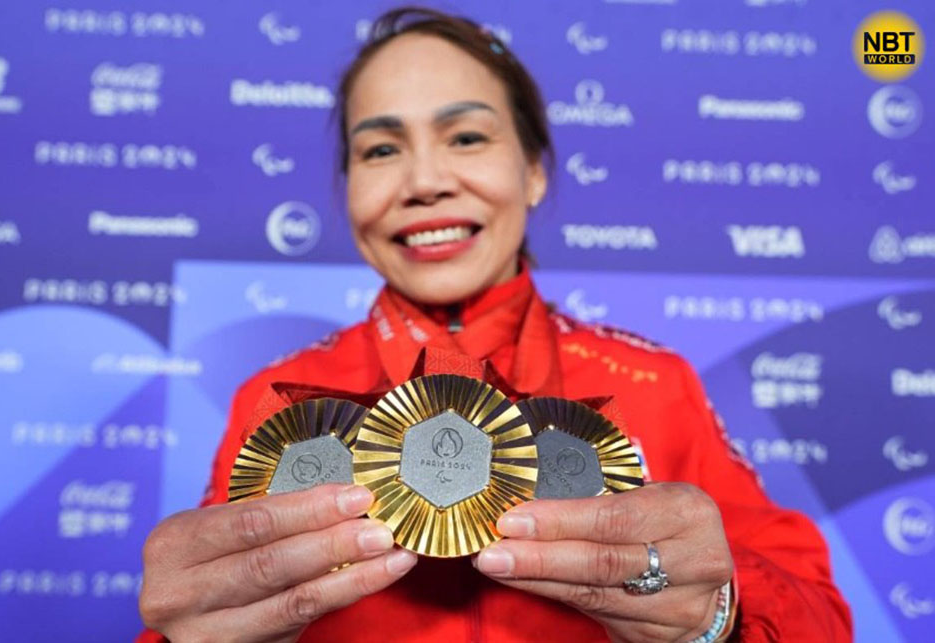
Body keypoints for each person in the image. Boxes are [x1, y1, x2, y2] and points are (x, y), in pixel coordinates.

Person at [137, 6, 852, 642]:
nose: (425, 182)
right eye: (381, 149)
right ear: (347, 187)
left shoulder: (657, 385)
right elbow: (199, 617)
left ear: (534, 171)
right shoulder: (277, 402)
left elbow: (819, 617)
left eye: (467, 137)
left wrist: (717, 617)